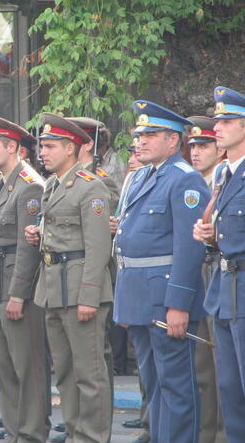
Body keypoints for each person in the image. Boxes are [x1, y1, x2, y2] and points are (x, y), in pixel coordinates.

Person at [115, 101, 209, 443]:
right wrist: (124, 301)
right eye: (139, 135)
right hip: (140, 297)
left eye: (150, 135)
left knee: (176, 387)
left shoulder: (184, 181)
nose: (140, 141)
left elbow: (189, 248)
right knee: (153, 384)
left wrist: (179, 304)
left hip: (165, 298)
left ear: (173, 140)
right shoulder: (142, 176)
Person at [26, 113, 113, 443]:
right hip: (53, 287)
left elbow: (97, 246)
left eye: (50, 147)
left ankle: (93, 436)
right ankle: (77, 432)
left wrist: (89, 296)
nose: (43, 153)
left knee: (89, 374)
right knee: (64, 372)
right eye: (42, 146)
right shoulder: (52, 185)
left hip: (79, 289)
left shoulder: (91, 187)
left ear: (72, 148)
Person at [0, 114, 50, 442]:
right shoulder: (3, 181)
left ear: (12, 147)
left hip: (18, 286)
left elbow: (26, 246)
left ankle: (31, 432)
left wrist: (18, 294)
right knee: (7, 367)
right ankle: (15, 430)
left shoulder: (28, 183)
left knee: (27, 366)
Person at [193, 86, 245, 443]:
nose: (219, 127)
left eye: (228, 121)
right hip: (226, 286)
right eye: (218, 120)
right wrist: (210, 234)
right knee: (229, 386)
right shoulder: (225, 174)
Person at [185, 115, 227, 443]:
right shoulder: (202, 182)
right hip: (202, 279)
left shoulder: (225, 182)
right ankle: (206, 434)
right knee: (203, 371)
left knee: (224, 370)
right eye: (193, 145)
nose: (195, 152)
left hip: (223, 277)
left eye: (204, 145)